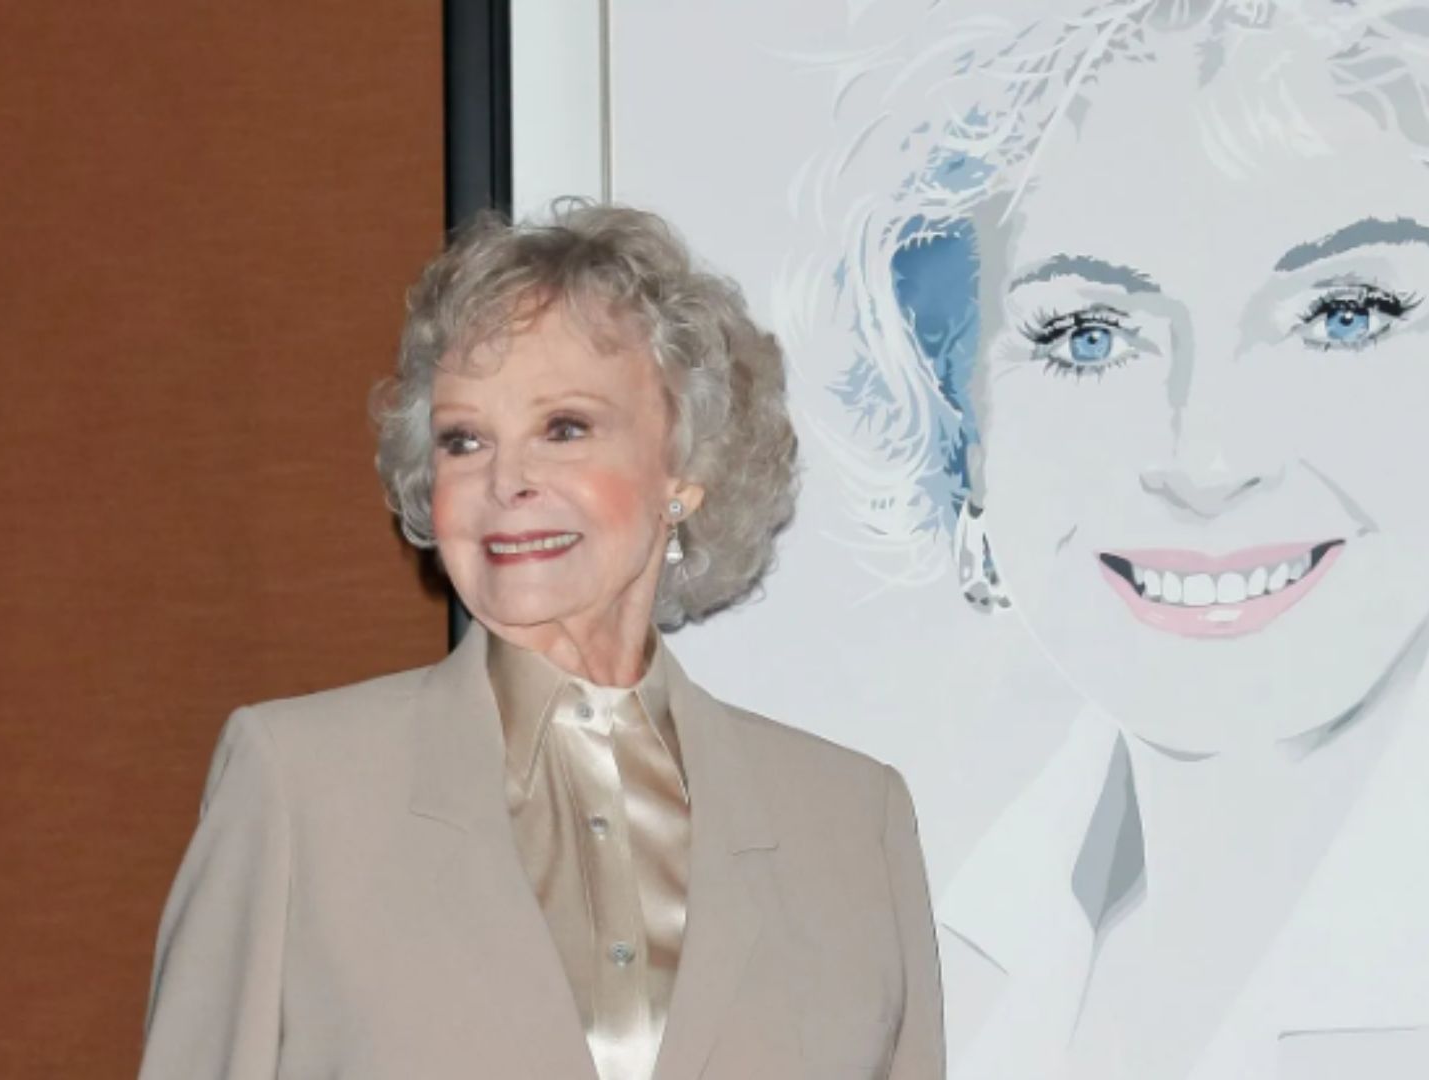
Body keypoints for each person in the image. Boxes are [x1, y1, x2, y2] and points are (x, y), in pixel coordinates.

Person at [804, 1, 1429, 1076]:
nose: (1205, 456)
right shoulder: (930, 926)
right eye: (1089, 335)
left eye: (1343, 314)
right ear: (965, 414)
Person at [137, 202, 945, 1080]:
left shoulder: (851, 822)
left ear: (688, 468)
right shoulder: (299, 785)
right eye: (464, 440)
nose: (506, 479)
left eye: (564, 428)